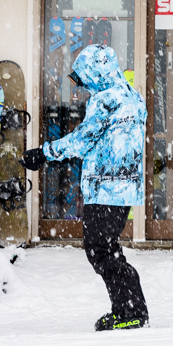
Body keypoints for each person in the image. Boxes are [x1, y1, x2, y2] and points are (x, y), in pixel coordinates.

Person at [20, 45, 149, 330]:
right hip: (124, 187)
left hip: (104, 187)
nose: (83, 85)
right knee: (107, 248)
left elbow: (82, 140)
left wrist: (43, 153)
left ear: (96, 72)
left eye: (84, 77)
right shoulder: (133, 97)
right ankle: (131, 308)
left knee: (99, 249)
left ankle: (130, 312)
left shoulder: (105, 100)